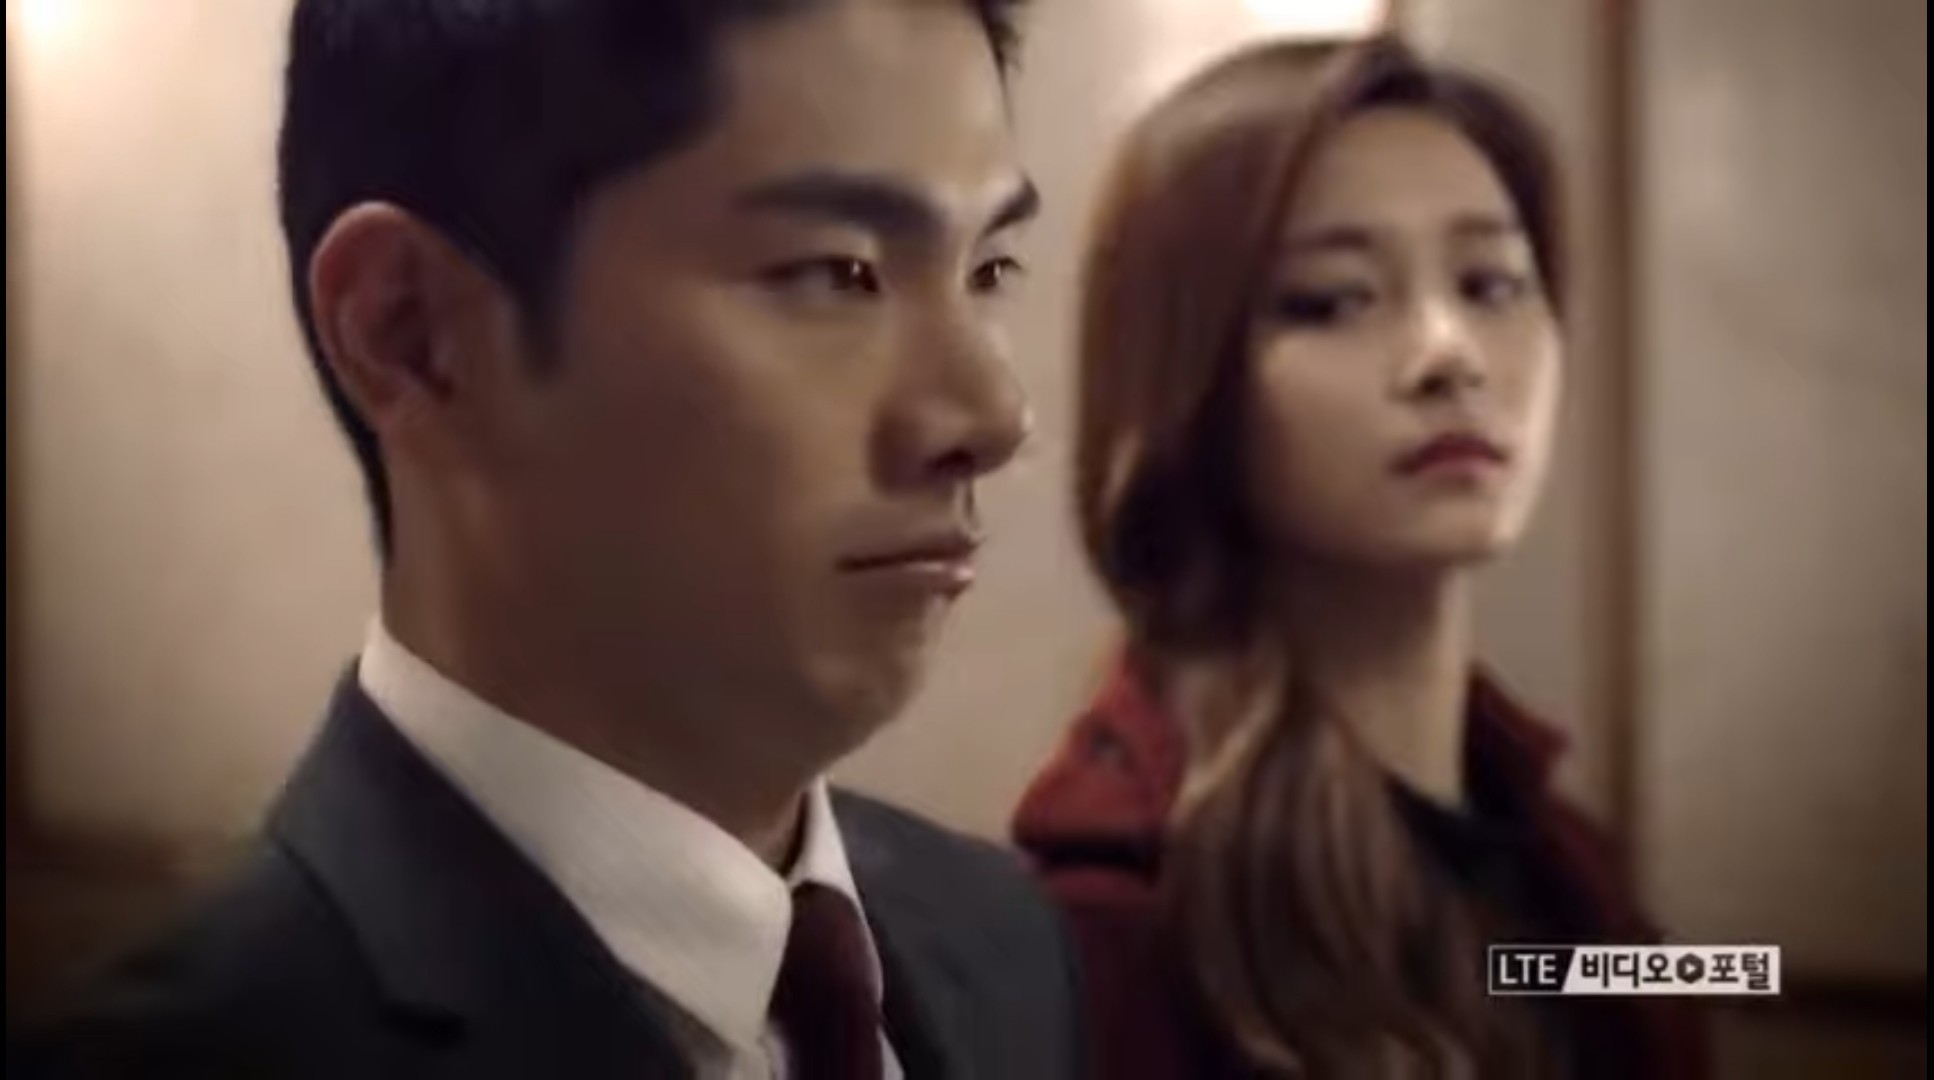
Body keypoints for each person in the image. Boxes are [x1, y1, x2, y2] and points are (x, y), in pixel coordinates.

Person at [13, 0, 1083, 1077]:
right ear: (411, 331)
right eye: (835, 272)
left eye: (989, 269)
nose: (994, 416)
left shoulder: (1004, 944)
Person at [1012, 36, 1705, 1080]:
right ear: (1190, 377)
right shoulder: (1102, 928)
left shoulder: (1571, 873)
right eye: (1332, 299)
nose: (1448, 353)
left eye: (1492, 282)